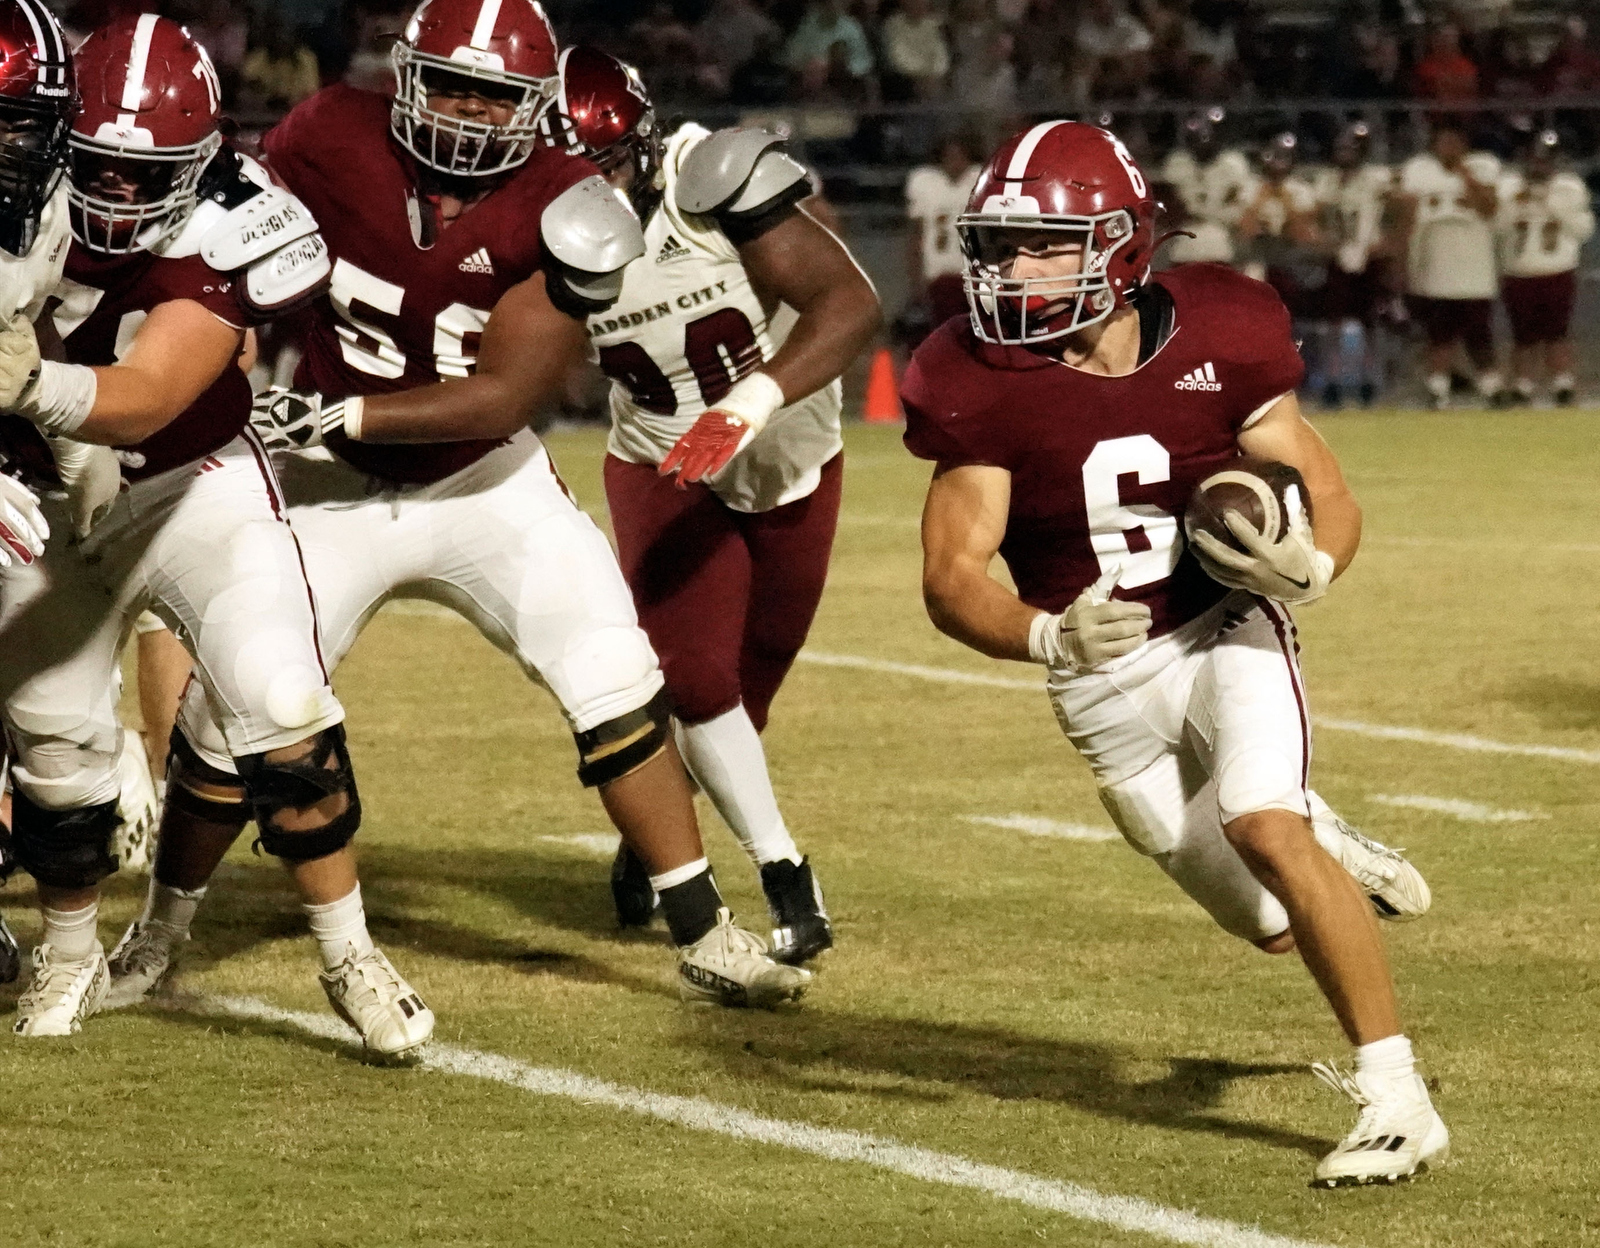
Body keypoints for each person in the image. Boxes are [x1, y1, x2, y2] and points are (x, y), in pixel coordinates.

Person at [118, 0, 811, 1013]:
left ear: (535, 107)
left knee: (613, 671)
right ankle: (160, 931)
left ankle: (704, 929)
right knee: (233, 719)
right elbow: (226, 267)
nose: (466, 110)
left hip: (480, 474)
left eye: (492, 94)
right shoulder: (323, 135)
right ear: (402, 73)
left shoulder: (568, 200)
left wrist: (336, 411)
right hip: (324, 487)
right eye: (447, 83)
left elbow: (504, 396)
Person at [901, 120, 1444, 1187]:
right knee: (1273, 924)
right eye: (996, 245)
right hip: (1098, 681)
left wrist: (1314, 569)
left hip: (1219, 624)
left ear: (1120, 246)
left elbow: (1323, 491)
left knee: (1263, 825)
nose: (1007, 269)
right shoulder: (976, 374)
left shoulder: (1226, 327)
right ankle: (1324, 839)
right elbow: (952, 574)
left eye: (1037, 245)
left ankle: (1397, 1097)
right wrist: (1043, 633)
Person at [0, 15, 430, 1052]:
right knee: (60, 754)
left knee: (283, 700)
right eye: (106, 168)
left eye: (160, 176)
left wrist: (23, 381)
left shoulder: (240, 217)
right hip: (35, 494)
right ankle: (66, 953)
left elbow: (147, 398)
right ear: (61, 142)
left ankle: (349, 954)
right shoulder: (21, 191)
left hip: (191, 482)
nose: (130, 197)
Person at [543, 47, 880, 962]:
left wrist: (751, 403)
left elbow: (850, 306)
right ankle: (784, 874)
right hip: (659, 459)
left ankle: (655, 825)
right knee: (697, 681)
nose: (594, 194)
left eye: (606, 166)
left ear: (644, 144)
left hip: (786, 451)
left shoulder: (713, 184)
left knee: (754, 680)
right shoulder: (538, 227)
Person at [1395, 121, 1502, 409]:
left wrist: (1466, 175)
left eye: (1454, 142)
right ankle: (1437, 388)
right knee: (1439, 333)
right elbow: (1406, 217)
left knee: (1479, 332)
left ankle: (1491, 387)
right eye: (1444, 142)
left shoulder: (1482, 168)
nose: (1449, 148)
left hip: (1474, 264)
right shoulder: (1420, 171)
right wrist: (1402, 261)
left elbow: (1490, 208)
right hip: (1435, 262)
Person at [1495, 130, 1593, 406]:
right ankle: (1523, 384)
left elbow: (1583, 229)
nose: (1540, 165)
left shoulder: (1569, 187)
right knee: (1522, 336)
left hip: (1557, 268)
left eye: (1545, 159)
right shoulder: (1508, 187)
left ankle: (1562, 383)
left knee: (1557, 333)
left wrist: (1550, 203)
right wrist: (1519, 204)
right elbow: (1499, 227)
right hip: (1519, 270)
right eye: (1535, 158)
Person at [1311, 122, 1394, 408]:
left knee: (1370, 322)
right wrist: (1323, 241)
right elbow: (1316, 214)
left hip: (1368, 255)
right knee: (1334, 322)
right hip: (1338, 255)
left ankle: (1370, 379)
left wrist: (1388, 242)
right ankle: (1332, 380)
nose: (1347, 154)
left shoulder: (1376, 179)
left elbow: (1398, 206)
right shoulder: (1327, 181)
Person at [905, 133, 981, 330]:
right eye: (949, 156)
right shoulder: (925, 182)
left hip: (976, 275)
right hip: (940, 275)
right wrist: (916, 280)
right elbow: (916, 236)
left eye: (959, 156)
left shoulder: (980, 178)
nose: (954, 162)